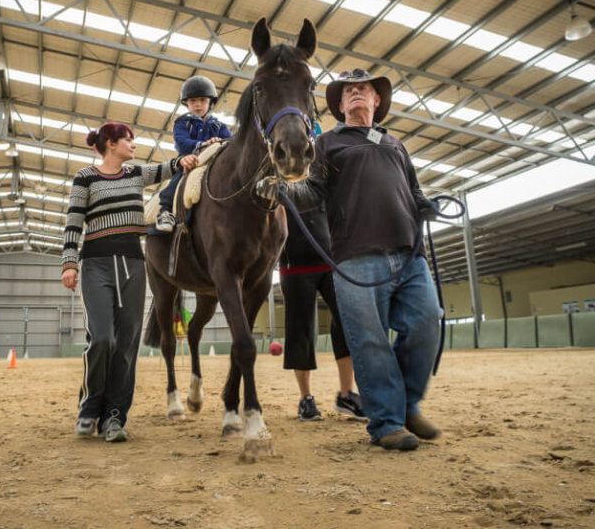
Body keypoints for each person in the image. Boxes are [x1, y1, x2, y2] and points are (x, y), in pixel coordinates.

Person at [260, 68, 442, 451]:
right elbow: (313, 191)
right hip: (355, 257)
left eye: (364, 89)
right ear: (340, 105)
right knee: (370, 342)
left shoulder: (395, 144)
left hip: (409, 254)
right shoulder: (328, 143)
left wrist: (425, 205)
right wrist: (284, 191)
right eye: (349, 91)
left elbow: (413, 190)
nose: (356, 92)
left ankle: (407, 406)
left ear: (377, 100)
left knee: (426, 323)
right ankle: (387, 422)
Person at [61, 121, 198, 442]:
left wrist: (187, 158)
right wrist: (69, 262)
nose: (133, 145)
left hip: (134, 265)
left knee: (126, 345)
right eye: (128, 140)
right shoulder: (86, 177)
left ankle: (114, 417)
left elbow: (168, 168)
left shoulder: (135, 173)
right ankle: (89, 407)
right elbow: (74, 221)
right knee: (102, 339)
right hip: (96, 265)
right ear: (110, 143)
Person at [280, 202, 365, 422]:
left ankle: (346, 394)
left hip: (331, 262)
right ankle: (306, 398)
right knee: (300, 330)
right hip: (294, 266)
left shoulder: (322, 182)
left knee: (346, 321)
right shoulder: (278, 186)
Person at [155, 75, 232, 232]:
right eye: (193, 100)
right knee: (176, 180)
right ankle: (165, 211)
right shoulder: (182, 123)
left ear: (210, 102)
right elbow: (181, 142)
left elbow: (231, 143)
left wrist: (221, 142)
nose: (198, 104)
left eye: (202, 100)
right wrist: (203, 144)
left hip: (213, 162)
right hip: (189, 160)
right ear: (186, 103)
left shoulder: (220, 126)